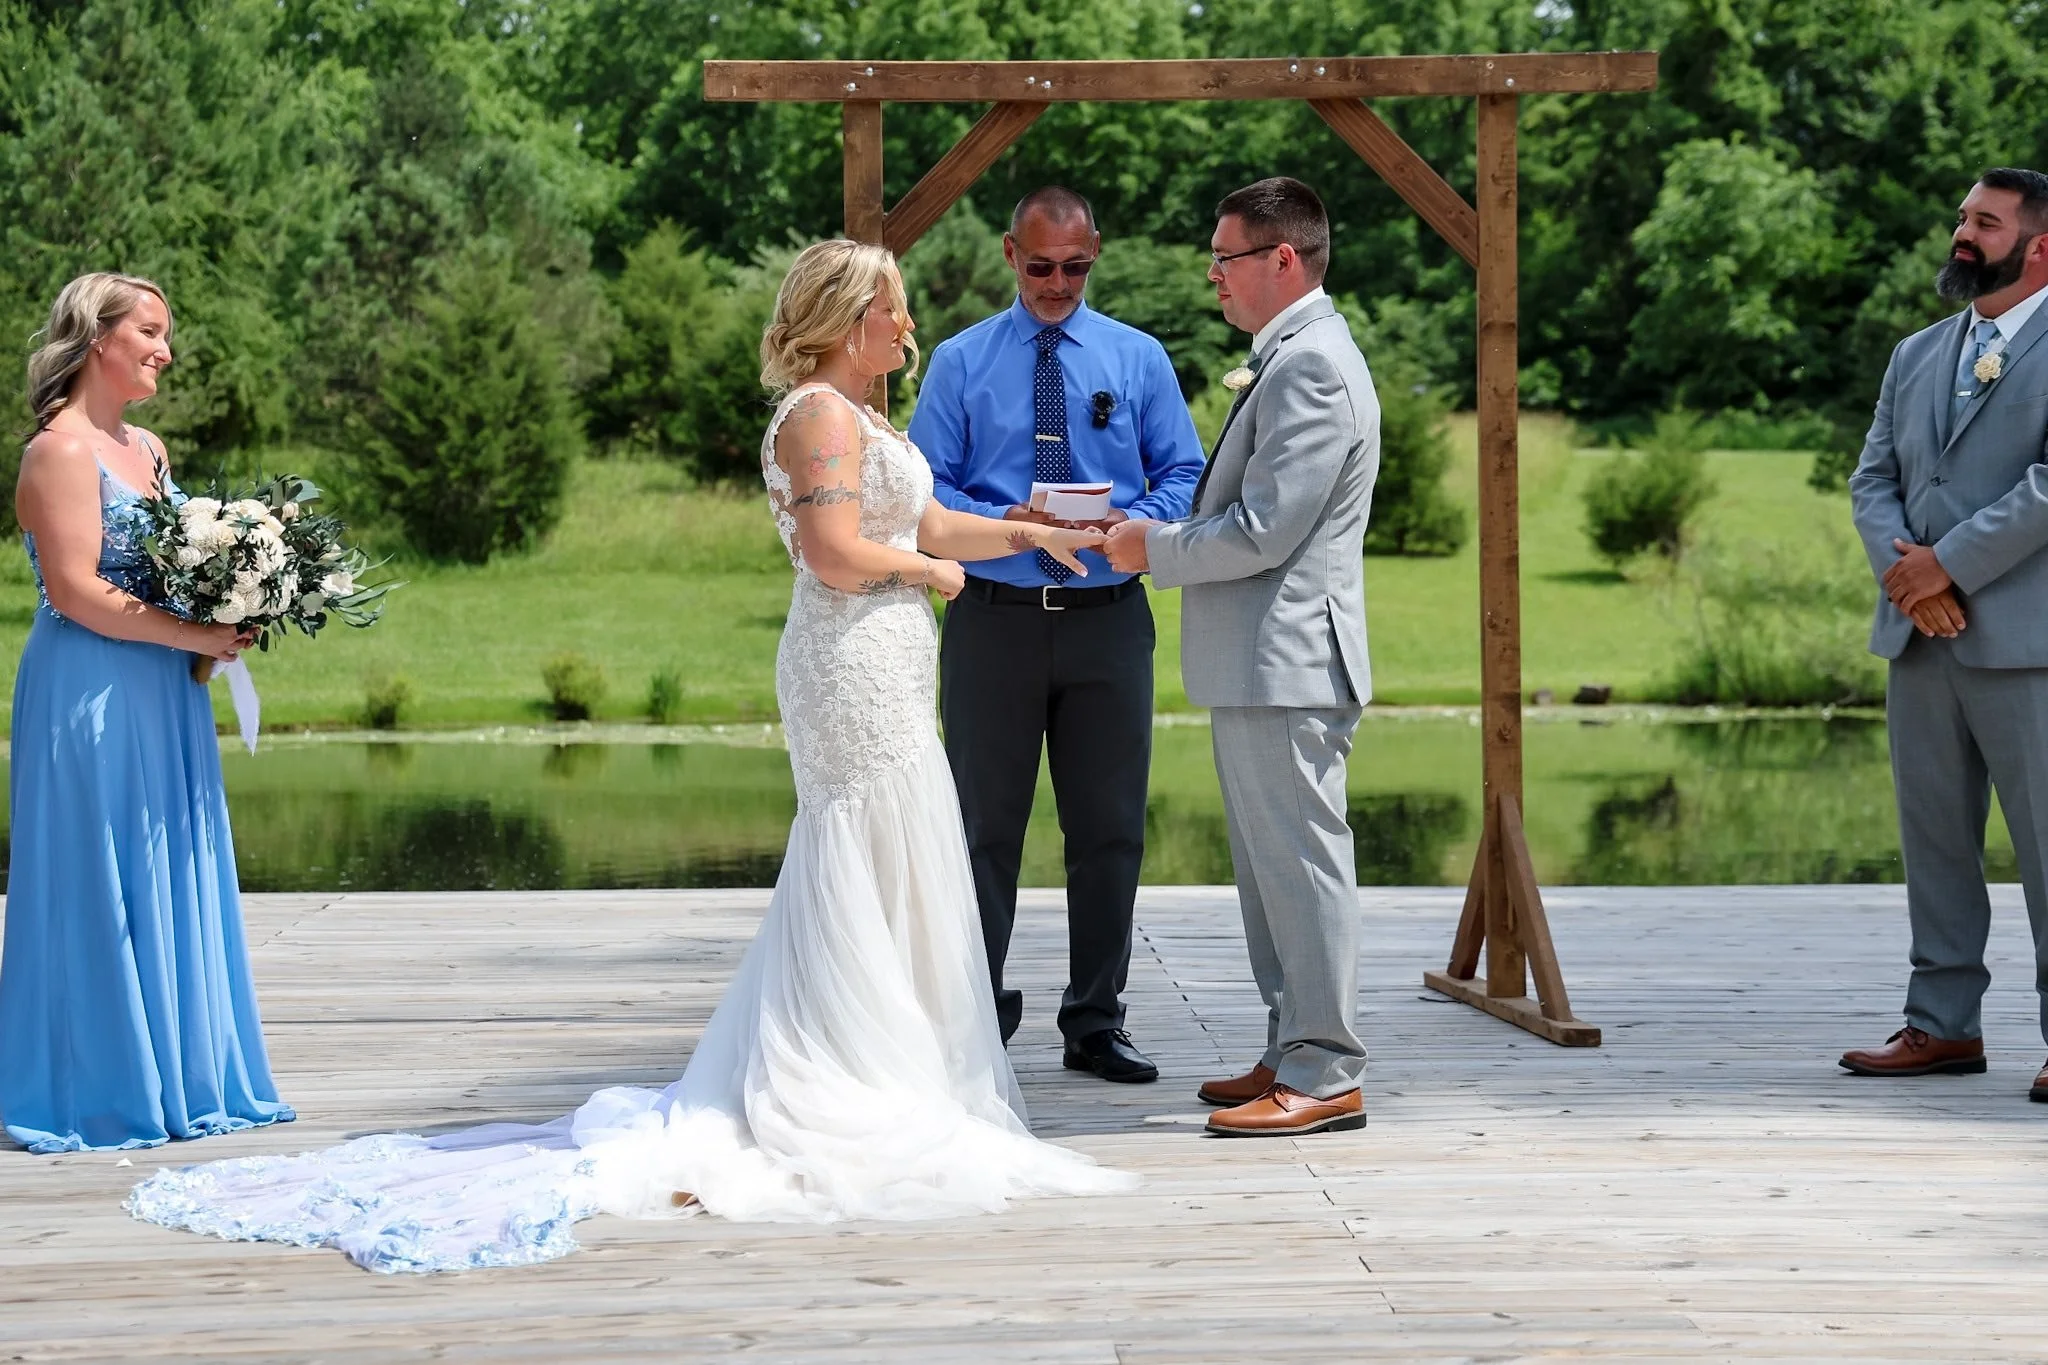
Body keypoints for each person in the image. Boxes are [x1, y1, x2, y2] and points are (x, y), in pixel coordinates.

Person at [128, 240, 1133, 1272]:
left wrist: (1018, 538)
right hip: (846, 662)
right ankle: (832, 1073)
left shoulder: (867, 420)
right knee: (857, 846)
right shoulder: (819, 417)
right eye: (896, 312)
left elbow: (926, 518)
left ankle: (891, 1067)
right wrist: (927, 572)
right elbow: (837, 556)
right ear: (845, 319)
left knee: (900, 848)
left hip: (887, 660)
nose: (909, 328)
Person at [909, 187, 1204, 1083]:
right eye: (1041, 266)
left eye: (1076, 266)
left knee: (1109, 830)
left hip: (1108, 624)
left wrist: (1129, 524)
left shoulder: (1138, 357)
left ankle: (1095, 1021)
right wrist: (1007, 522)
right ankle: (974, 1011)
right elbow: (924, 496)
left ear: (1096, 253)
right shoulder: (960, 363)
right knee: (980, 831)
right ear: (1009, 253)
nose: (1057, 283)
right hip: (993, 623)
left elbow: (1185, 473)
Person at [1106, 177, 1378, 1137]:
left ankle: (1328, 1066)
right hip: (1264, 662)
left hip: (1291, 661)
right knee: (1270, 871)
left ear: (1283, 260)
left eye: (1225, 258)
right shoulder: (1293, 355)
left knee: (1302, 865)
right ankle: (1290, 1045)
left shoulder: (1311, 366)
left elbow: (1268, 528)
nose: (1212, 276)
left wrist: (1152, 549)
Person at [0, 272, 292, 1153]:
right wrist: (187, 629)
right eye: (152, 331)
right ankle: (98, 1084)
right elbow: (78, 590)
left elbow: (165, 569)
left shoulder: (149, 448)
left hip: (165, 689)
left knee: (169, 866)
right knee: (98, 875)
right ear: (99, 339)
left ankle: (181, 1070)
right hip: (90, 688)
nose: (166, 348)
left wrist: (218, 623)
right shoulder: (57, 452)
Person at [1842, 166, 2048, 1106]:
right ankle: (1942, 1024)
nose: (1963, 233)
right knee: (1934, 841)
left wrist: (1947, 566)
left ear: (2037, 245)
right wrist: (1911, 578)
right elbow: (1872, 479)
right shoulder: (1917, 351)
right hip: (1921, 638)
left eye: (1986, 222)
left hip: (2027, 642)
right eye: (1964, 217)